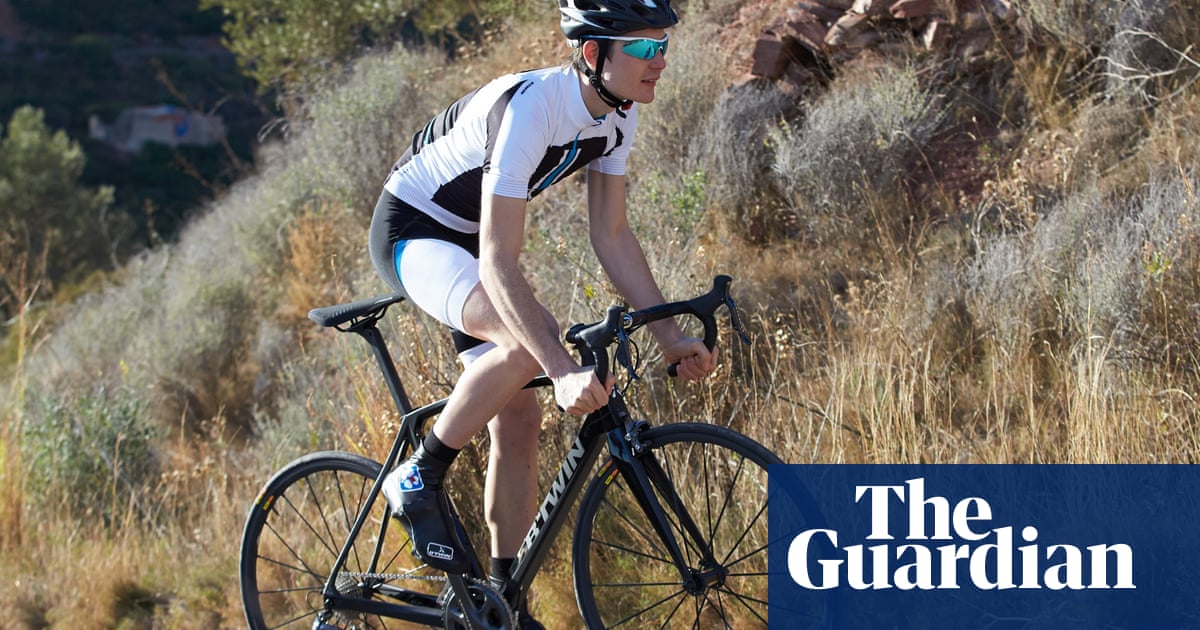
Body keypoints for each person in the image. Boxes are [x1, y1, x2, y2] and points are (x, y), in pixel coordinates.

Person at [367, 1, 717, 626]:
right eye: (643, 48)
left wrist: (668, 334)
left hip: (472, 241)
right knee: (529, 345)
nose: (659, 61)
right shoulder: (531, 108)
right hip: (417, 230)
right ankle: (419, 476)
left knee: (519, 419)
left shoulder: (618, 114)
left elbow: (612, 235)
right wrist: (559, 368)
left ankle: (504, 604)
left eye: (663, 46)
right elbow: (499, 259)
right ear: (593, 54)